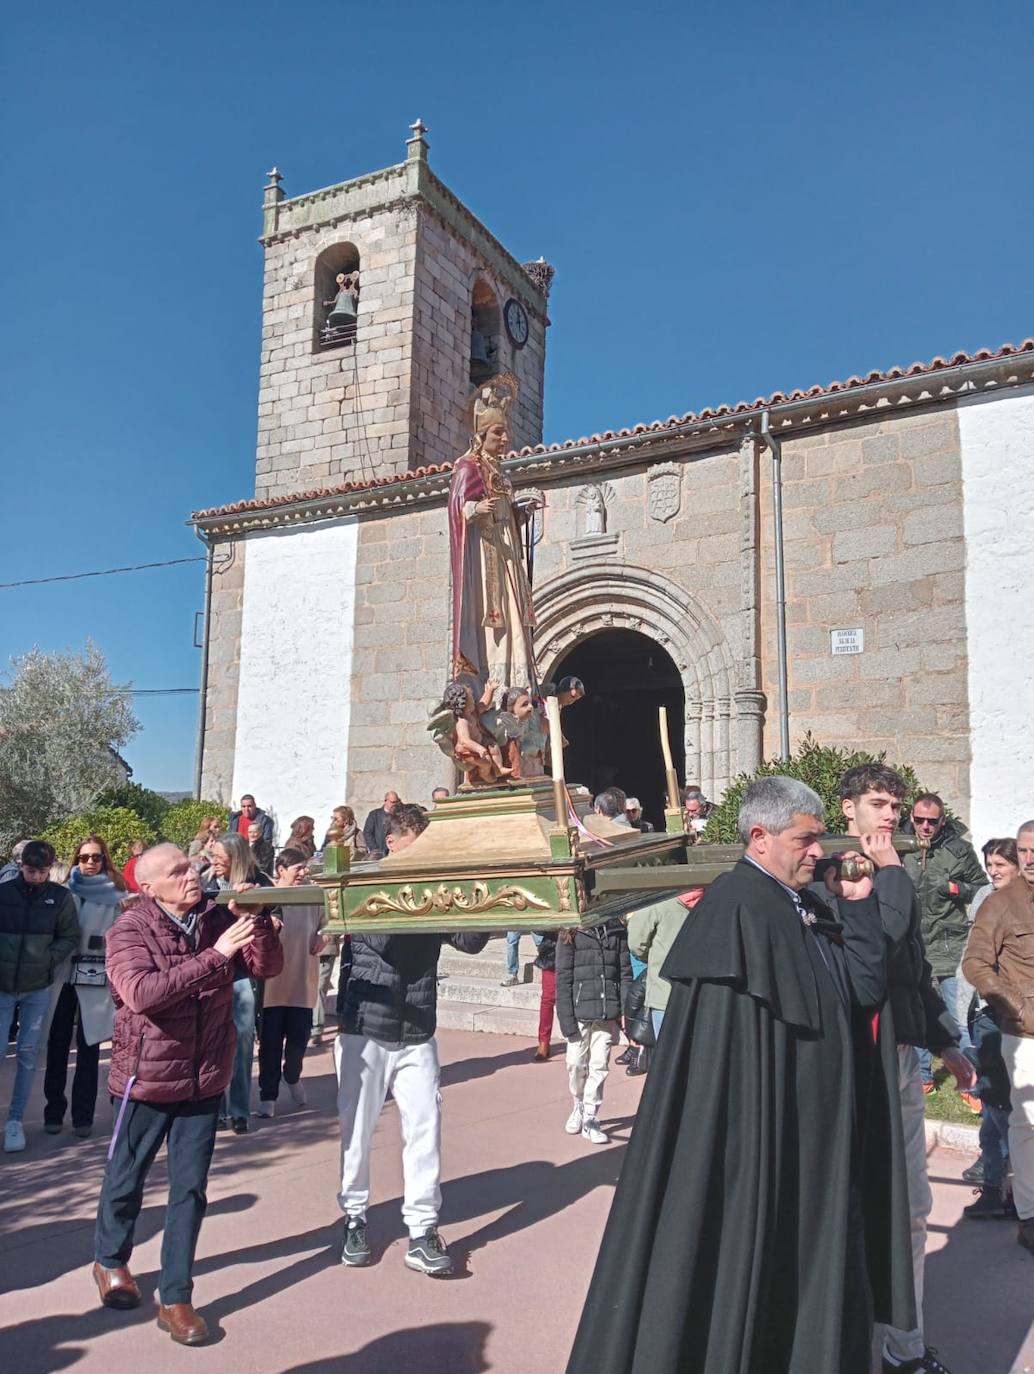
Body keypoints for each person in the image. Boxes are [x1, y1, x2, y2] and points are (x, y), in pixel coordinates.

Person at [566, 776, 914, 1374]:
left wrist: (856, 910)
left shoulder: (801, 901)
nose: (817, 850)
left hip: (813, 1144)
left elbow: (860, 988)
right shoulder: (735, 907)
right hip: (764, 1146)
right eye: (804, 839)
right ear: (760, 837)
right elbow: (728, 1060)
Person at [91, 842, 282, 1345]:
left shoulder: (217, 919)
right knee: (127, 1176)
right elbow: (142, 993)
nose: (191, 876)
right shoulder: (128, 930)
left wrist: (257, 921)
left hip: (204, 1075)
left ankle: (175, 1297)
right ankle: (111, 1261)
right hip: (147, 1078)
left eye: (190, 866)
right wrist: (214, 956)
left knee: (190, 1189)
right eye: (176, 873)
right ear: (148, 888)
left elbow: (266, 969)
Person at [830, 764, 974, 1374]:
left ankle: (904, 1346)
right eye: (879, 804)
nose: (890, 815)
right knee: (856, 1208)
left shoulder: (896, 874)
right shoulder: (833, 873)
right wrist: (888, 871)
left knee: (913, 1205)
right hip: (849, 1066)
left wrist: (947, 1044)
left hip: (897, 1056)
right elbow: (879, 947)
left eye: (896, 805)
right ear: (849, 810)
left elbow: (911, 969)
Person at [334, 804, 489, 1276]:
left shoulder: (432, 884)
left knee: (425, 1128)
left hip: (417, 1024)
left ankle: (422, 1229)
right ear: (394, 843)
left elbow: (468, 940)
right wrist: (430, 896)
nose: (422, 855)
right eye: (414, 845)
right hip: (366, 1026)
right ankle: (355, 1217)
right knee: (357, 1130)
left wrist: (476, 898)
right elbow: (380, 938)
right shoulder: (367, 881)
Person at [963, 821, 1034, 1255]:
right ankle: (1028, 1214)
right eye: (1025, 850)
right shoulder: (999, 904)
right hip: (1025, 1036)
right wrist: (1019, 1007)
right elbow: (975, 965)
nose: (1029, 858)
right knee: (1028, 1125)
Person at [447, 373, 537, 687]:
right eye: (498, 432)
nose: (505, 438)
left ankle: (514, 680)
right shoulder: (468, 466)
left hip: (505, 552)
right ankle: (491, 678)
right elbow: (458, 505)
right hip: (484, 558)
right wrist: (473, 509)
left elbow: (502, 508)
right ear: (481, 435)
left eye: (505, 432)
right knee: (493, 611)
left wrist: (518, 512)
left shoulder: (500, 471)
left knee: (514, 613)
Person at [0, 841, 80, 1153]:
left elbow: (69, 937)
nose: (36, 877)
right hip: (3, 986)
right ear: (21, 866)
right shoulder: (4, 894)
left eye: (42, 872)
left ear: (50, 868)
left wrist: (47, 958)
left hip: (37, 987)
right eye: (31, 871)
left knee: (28, 1053)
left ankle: (15, 1121)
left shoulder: (59, 897)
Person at [903, 792, 986, 1091]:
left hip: (949, 942)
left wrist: (955, 888)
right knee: (915, 1009)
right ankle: (923, 1076)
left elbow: (980, 889)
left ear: (942, 821)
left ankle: (971, 1080)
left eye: (932, 821)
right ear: (911, 817)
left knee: (960, 1014)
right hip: (912, 942)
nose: (925, 826)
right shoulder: (900, 848)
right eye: (920, 819)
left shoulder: (958, 850)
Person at [43, 835, 124, 1139]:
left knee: (89, 1049)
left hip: (95, 977)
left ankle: (83, 1117)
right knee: (57, 1046)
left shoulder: (117, 897)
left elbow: (119, 938)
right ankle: (53, 1112)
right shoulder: (60, 893)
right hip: (62, 977)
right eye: (84, 857)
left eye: (96, 857)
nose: (90, 862)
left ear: (105, 860)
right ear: (76, 859)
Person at [958, 838, 1021, 1219]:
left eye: (1001, 864)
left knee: (1002, 1103)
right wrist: (962, 1014)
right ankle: (996, 1184)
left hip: (1009, 1015)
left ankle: (1011, 1186)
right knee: (992, 1101)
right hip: (983, 1012)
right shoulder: (985, 896)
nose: (994, 871)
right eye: (990, 864)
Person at [204, 833, 273, 1132]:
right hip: (210, 970)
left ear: (236, 857)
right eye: (213, 856)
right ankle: (215, 1109)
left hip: (242, 970)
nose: (215, 862)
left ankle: (240, 1111)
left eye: (220, 856)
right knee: (211, 1041)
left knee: (243, 1038)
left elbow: (274, 915)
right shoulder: (203, 880)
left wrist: (253, 900)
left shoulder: (258, 880)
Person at [257, 849, 325, 1117]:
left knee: (299, 1041)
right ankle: (268, 1096)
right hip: (273, 984)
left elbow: (327, 925)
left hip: (303, 980)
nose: (303, 873)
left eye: (305, 868)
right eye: (297, 868)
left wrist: (324, 936)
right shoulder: (269, 896)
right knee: (270, 1044)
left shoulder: (313, 895)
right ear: (281, 870)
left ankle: (293, 1075)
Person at [555, 919, 631, 1144]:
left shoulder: (617, 931)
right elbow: (563, 979)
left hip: (606, 1011)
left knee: (599, 1065)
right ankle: (578, 1103)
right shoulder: (569, 932)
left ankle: (590, 1116)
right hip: (579, 1012)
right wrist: (566, 1020)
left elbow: (624, 972)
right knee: (576, 1063)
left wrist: (624, 1009)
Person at [627, 888, 705, 1039]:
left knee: (665, 1054)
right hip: (701, 994)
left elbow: (637, 943)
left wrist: (656, 959)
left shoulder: (658, 901)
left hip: (663, 992)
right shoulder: (714, 899)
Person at [531, 932, 557, 1061]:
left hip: (576, 945)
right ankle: (543, 1041)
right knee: (548, 998)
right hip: (552, 949)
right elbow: (538, 928)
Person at [362, 790, 401, 861]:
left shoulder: (400, 815)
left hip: (395, 853)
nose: (395, 804)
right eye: (393, 802)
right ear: (386, 801)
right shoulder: (374, 815)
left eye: (397, 802)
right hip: (379, 853)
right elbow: (367, 833)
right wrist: (375, 849)